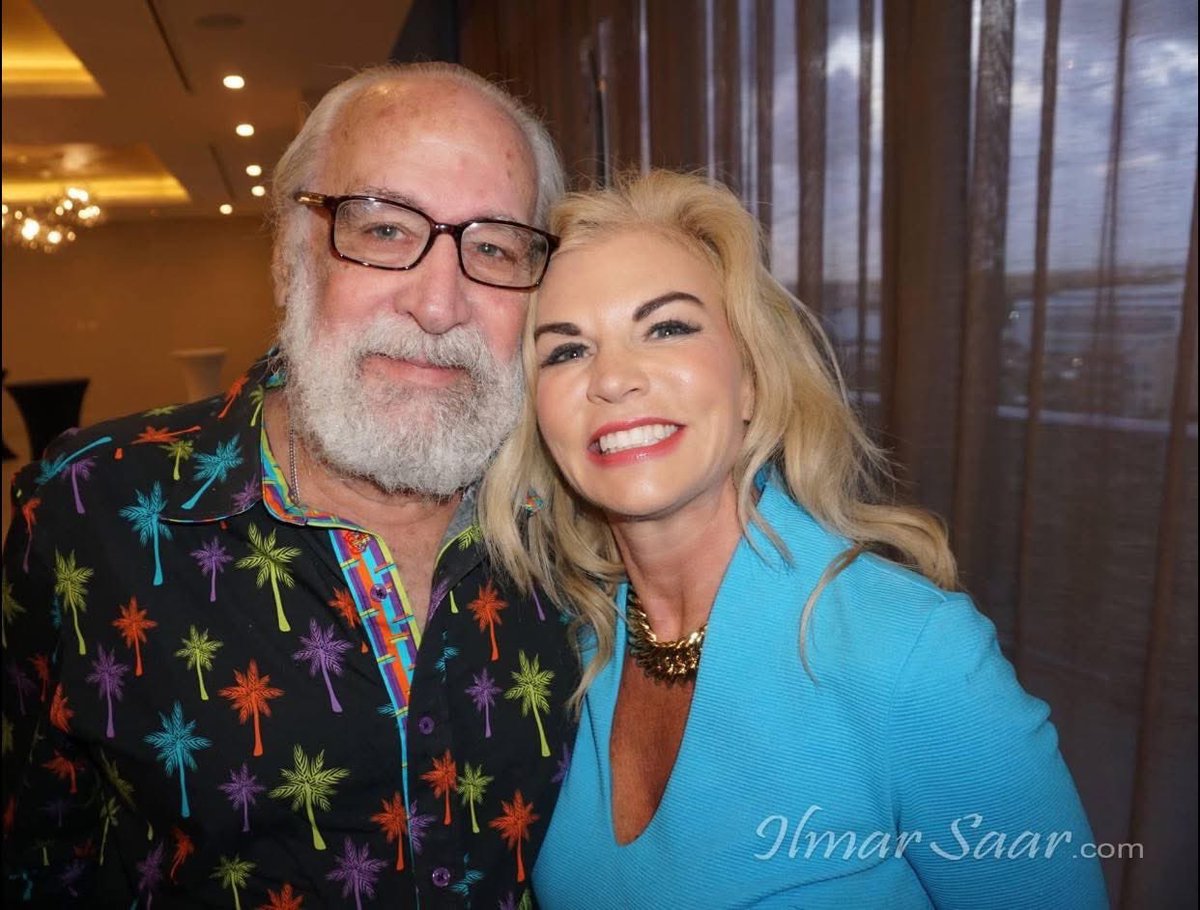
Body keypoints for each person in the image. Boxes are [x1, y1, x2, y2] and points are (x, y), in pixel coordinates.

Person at [2, 62, 578, 908]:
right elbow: (38, 853)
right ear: (288, 255)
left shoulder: (584, 518)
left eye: (493, 246)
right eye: (383, 230)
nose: (438, 302)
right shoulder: (90, 506)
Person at [479, 171, 1109, 908]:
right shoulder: (567, 648)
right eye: (566, 351)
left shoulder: (909, 656)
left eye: (667, 327)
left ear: (750, 380)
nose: (613, 379)